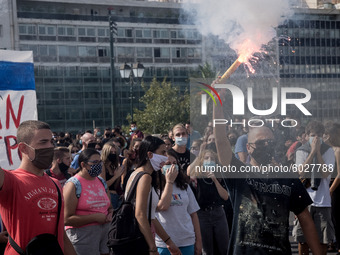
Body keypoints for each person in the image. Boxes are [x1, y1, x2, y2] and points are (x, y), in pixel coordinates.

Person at [212, 86, 323, 254]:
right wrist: (217, 103)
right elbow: (221, 141)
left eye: (270, 142)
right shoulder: (239, 174)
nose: (266, 146)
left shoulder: (287, 178)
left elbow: (305, 218)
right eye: (260, 143)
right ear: (248, 148)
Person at [0, 120, 76, 255]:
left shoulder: (55, 184)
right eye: (43, 142)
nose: (50, 147)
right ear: (23, 148)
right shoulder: (11, 180)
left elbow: (62, 235)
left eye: (51, 142)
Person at [124, 136, 181, 255]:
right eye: (162, 152)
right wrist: (152, 247)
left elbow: (150, 216)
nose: (166, 157)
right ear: (150, 155)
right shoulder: (145, 177)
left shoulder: (137, 173)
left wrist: (169, 241)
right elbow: (140, 214)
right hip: (140, 241)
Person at [295, 120, 335, 255]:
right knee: (302, 240)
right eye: (313, 135)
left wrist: (318, 153)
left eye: (319, 134)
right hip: (305, 201)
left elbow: (325, 173)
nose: (316, 138)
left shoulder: (328, 151)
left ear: (323, 135)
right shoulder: (301, 150)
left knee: (322, 241)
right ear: (306, 136)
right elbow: (301, 172)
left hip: (322, 201)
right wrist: (312, 152)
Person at [63, 149, 113, 255]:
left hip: (104, 235)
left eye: (100, 162)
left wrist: (110, 213)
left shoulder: (101, 181)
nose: (98, 165)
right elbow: (66, 219)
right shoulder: (73, 185)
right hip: (83, 237)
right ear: (83, 164)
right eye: (94, 163)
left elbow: (110, 207)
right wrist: (95, 218)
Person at [155, 149, 202, 255]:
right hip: (164, 244)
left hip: (186, 241)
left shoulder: (184, 186)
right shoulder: (154, 187)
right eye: (168, 164)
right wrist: (169, 182)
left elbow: (193, 214)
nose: (172, 167)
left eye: (174, 163)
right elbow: (162, 207)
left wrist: (198, 241)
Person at [188, 149, 229, 255]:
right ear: (201, 161)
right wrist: (200, 152)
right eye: (206, 158)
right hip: (202, 215)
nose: (209, 160)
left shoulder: (219, 176)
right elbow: (188, 171)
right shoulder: (196, 176)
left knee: (224, 247)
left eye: (212, 159)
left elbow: (225, 197)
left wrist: (215, 180)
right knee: (207, 250)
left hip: (218, 213)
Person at [324, 122, 340, 254]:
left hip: (336, 188)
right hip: (329, 187)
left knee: (336, 218)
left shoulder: (338, 150)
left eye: (325, 134)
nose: (323, 137)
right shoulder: (328, 150)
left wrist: (331, 190)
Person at [100, 142, 125, 209]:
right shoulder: (102, 165)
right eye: (111, 152)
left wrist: (119, 175)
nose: (113, 154)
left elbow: (115, 185)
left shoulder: (112, 166)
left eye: (114, 152)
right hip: (108, 196)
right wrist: (116, 176)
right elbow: (104, 184)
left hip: (116, 195)